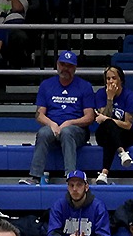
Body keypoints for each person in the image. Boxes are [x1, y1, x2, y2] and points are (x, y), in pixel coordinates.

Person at [29, 52, 95, 183]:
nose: (65, 68)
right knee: (43, 133)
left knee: (67, 132)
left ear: (75, 68)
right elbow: (39, 114)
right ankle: (35, 176)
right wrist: (52, 124)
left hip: (77, 130)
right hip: (52, 126)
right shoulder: (46, 85)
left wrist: (70, 122)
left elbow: (89, 117)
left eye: (69, 66)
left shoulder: (85, 86)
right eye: (62, 64)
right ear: (57, 65)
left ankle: (71, 177)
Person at [91, 66, 133, 182]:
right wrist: (110, 98)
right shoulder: (100, 94)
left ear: (121, 80)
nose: (111, 81)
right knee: (108, 129)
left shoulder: (129, 96)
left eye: (114, 78)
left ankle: (104, 173)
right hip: (104, 134)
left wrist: (107, 119)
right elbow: (101, 120)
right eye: (108, 79)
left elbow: (128, 125)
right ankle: (122, 153)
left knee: (110, 132)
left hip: (126, 135)